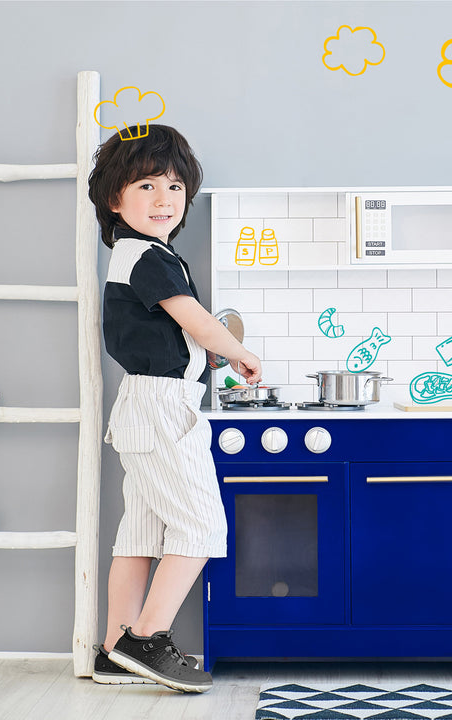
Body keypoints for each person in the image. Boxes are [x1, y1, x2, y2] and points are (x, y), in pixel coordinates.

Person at [87, 124, 262, 693]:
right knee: (201, 525)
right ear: (116, 200)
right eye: (145, 185)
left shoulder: (134, 255)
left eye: (173, 185)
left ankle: (116, 648)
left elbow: (161, 333)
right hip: (161, 407)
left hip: (146, 402)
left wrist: (201, 360)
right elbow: (193, 318)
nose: (164, 198)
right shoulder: (150, 259)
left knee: (141, 531)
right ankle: (149, 638)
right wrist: (235, 352)